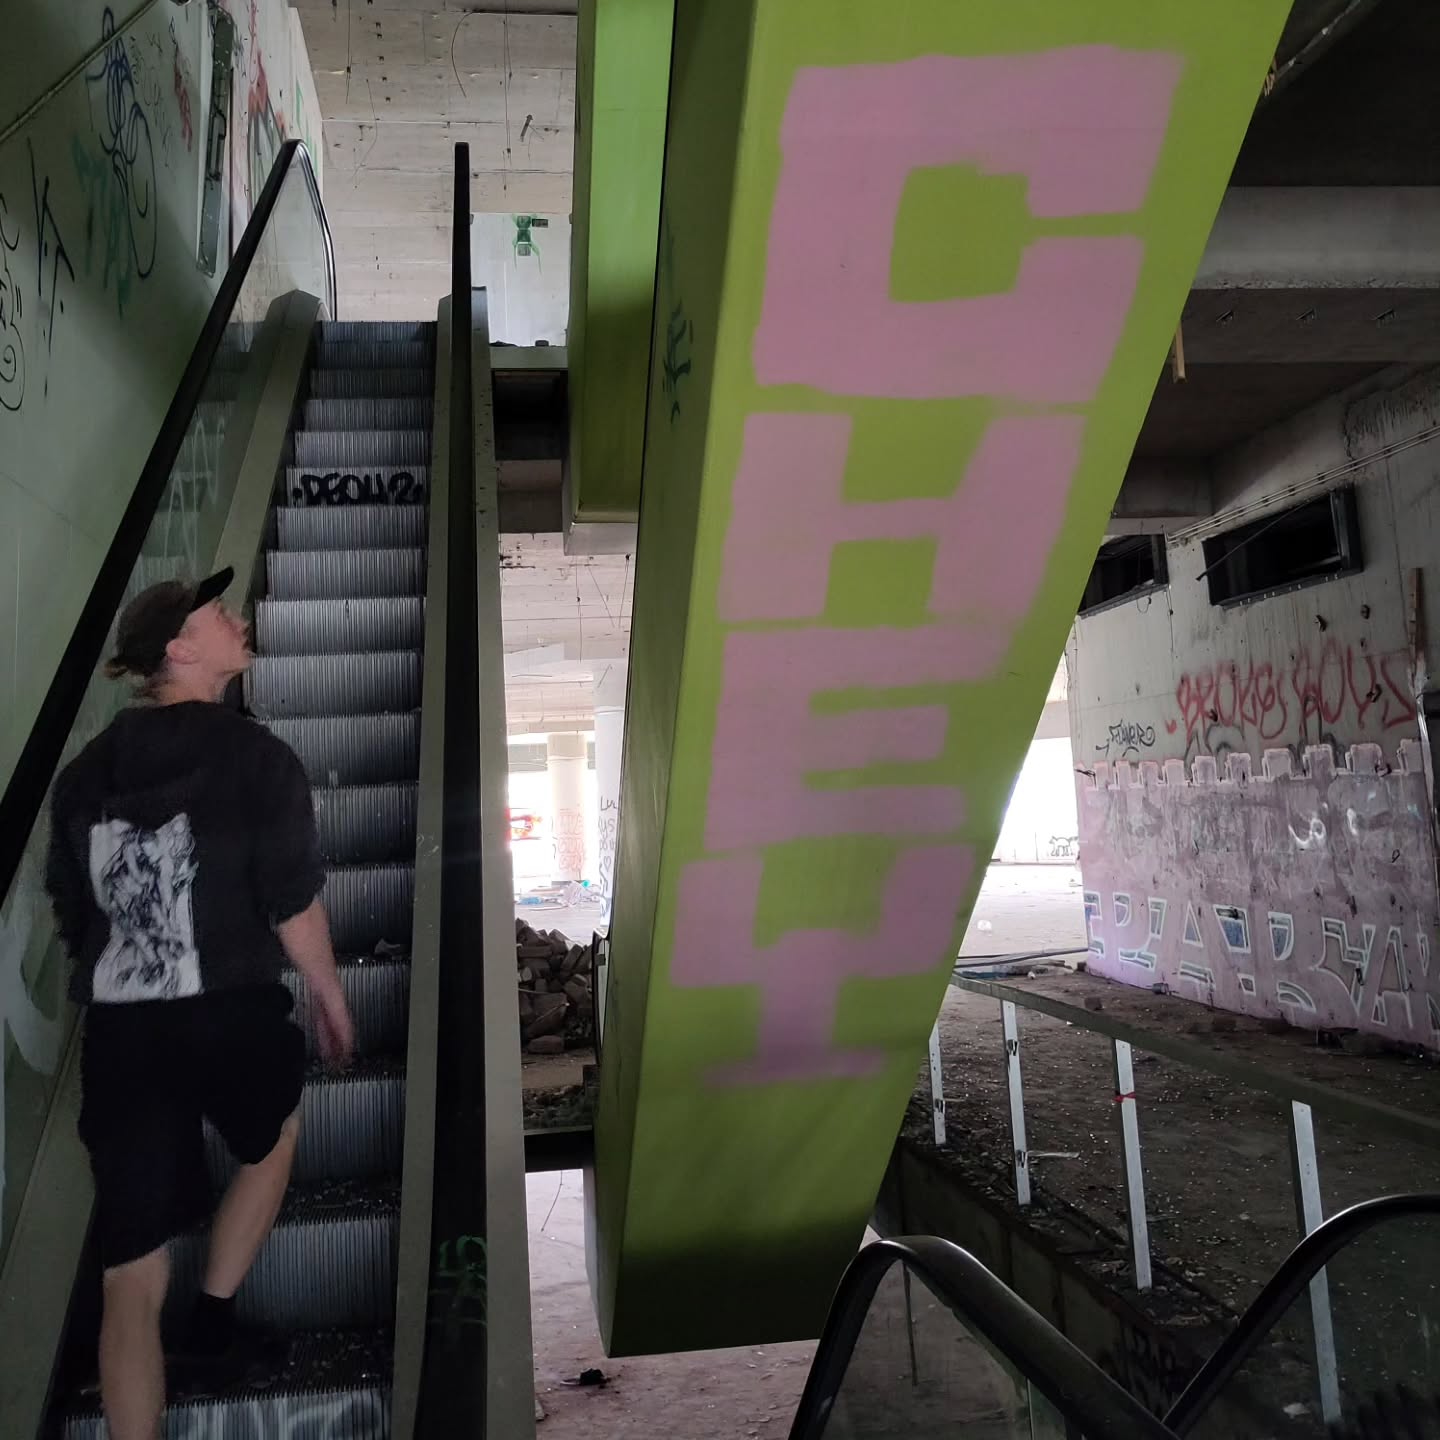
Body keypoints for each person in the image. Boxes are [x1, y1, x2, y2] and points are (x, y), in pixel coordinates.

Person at [44, 568, 354, 1440]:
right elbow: (291, 899)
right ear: (180, 648)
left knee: (129, 1275)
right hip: (228, 1014)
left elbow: (71, 909)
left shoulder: (82, 776)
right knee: (273, 1134)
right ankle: (214, 1321)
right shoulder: (256, 756)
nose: (237, 619)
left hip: (122, 1032)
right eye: (218, 614)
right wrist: (328, 990)